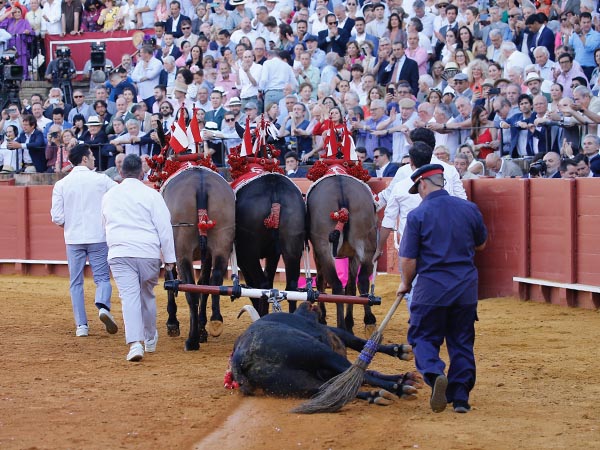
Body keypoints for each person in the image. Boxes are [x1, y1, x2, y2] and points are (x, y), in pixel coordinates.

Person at [397, 163, 488, 414]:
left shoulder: (417, 215)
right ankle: (460, 398)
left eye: (419, 189)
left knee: (423, 337)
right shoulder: (469, 209)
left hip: (432, 289)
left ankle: (435, 373)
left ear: (423, 184)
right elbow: (481, 245)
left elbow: (408, 259)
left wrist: (405, 283)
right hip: (465, 288)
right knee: (461, 341)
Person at [101, 154, 176, 362]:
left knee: (129, 298)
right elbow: (164, 228)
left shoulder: (110, 195)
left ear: (121, 173)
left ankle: (135, 344)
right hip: (147, 252)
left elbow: (104, 224)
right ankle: (150, 336)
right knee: (147, 295)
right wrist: (170, 257)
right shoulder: (152, 195)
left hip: (120, 252)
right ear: (142, 173)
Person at [50, 144, 118, 337]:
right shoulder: (101, 180)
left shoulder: (61, 184)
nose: (95, 159)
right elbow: (119, 196)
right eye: (92, 156)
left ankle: (82, 326)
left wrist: (70, 225)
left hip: (73, 239)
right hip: (98, 237)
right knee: (103, 278)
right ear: (85, 159)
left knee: (76, 282)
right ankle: (103, 307)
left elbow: (57, 217)